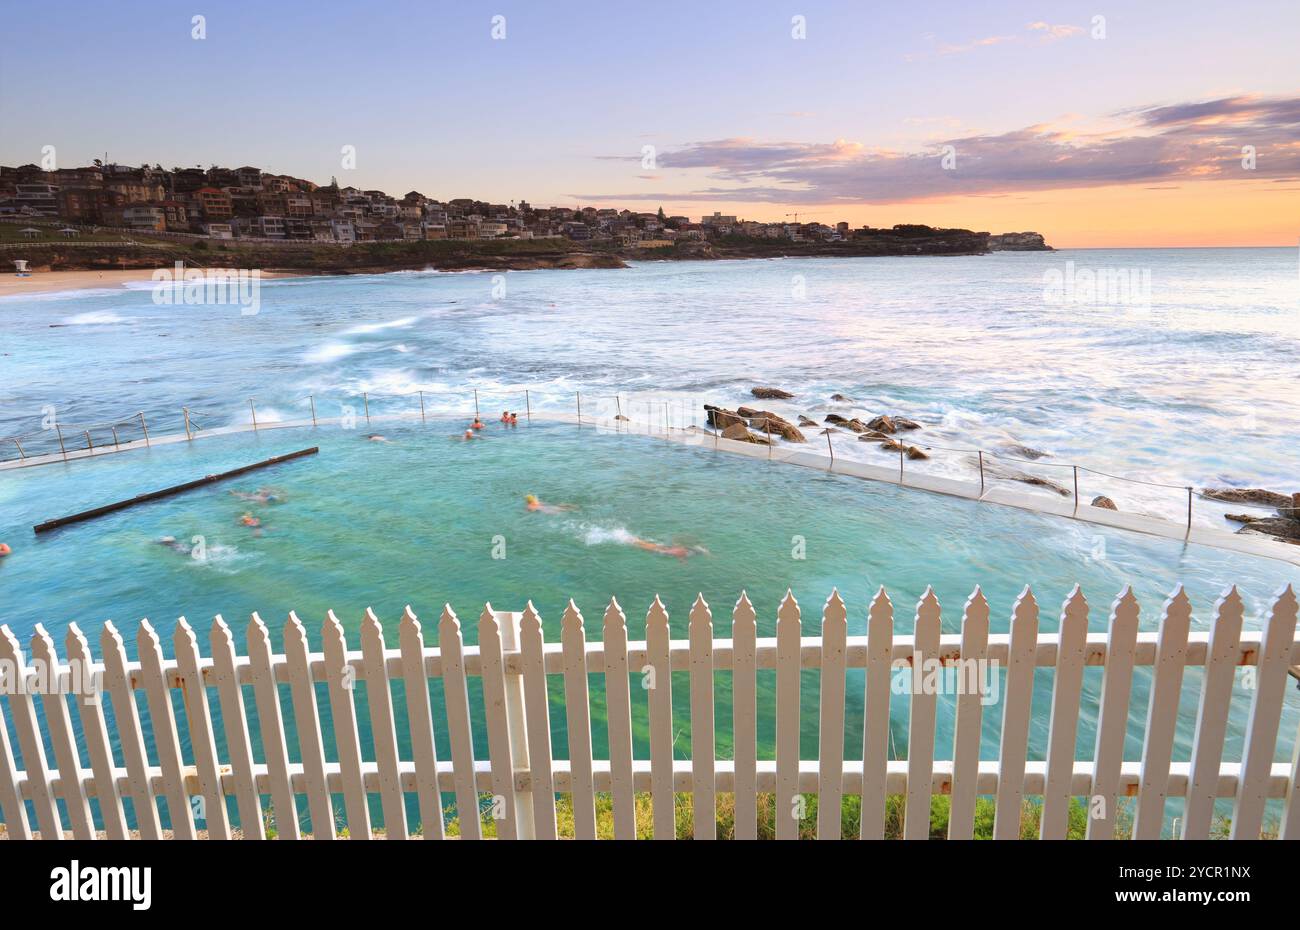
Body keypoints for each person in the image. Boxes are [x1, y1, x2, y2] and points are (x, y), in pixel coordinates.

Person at [630, 536, 709, 561]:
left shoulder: (684, 549)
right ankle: (634, 543)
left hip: (665, 548)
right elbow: (681, 558)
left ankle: (636, 540)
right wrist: (684, 563)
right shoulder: (684, 553)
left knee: (651, 545)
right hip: (665, 551)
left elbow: (677, 547)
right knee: (649, 548)